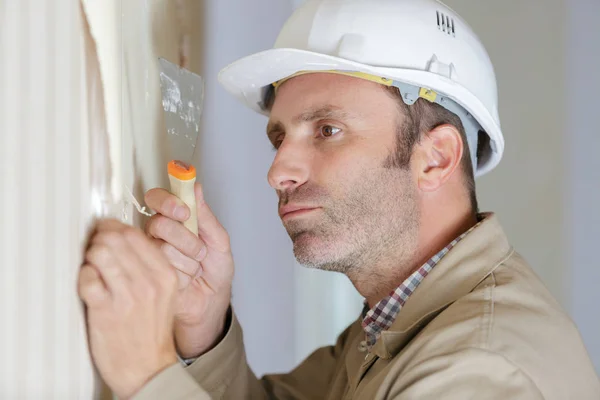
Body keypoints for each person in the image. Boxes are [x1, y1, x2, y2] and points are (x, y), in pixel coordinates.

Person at [77, 0, 600, 399]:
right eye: (280, 138)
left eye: (327, 129)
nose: (279, 170)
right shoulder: (396, 321)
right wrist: (203, 327)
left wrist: (148, 373)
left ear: (435, 158)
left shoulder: (478, 370)